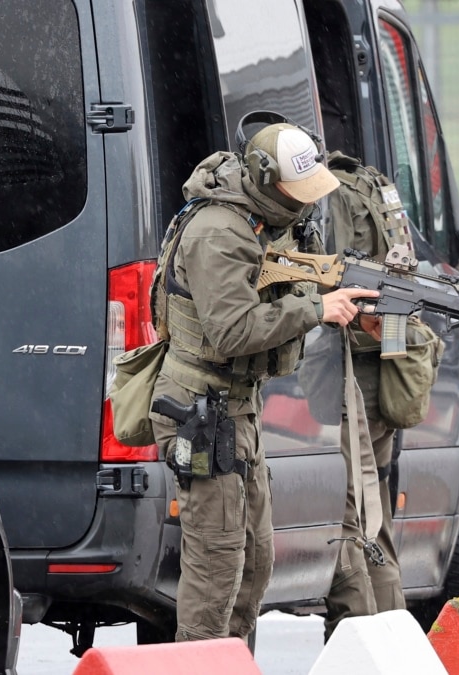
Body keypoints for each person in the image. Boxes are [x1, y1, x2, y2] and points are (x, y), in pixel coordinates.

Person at [147, 113, 379, 644]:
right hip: (200, 411)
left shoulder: (267, 224)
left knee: (254, 560)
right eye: (295, 193)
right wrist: (317, 309)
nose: (304, 205)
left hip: (235, 410)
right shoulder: (218, 232)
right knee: (216, 567)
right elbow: (231, 332)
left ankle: (232, 660)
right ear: (265, 179)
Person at [319, 150, 418, 641]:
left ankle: (357, 643)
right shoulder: (374, 186)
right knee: (373, 516)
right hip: (380, 376)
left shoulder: (327, 193)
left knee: (352, 519)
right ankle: (391, 639)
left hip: (347, 379)